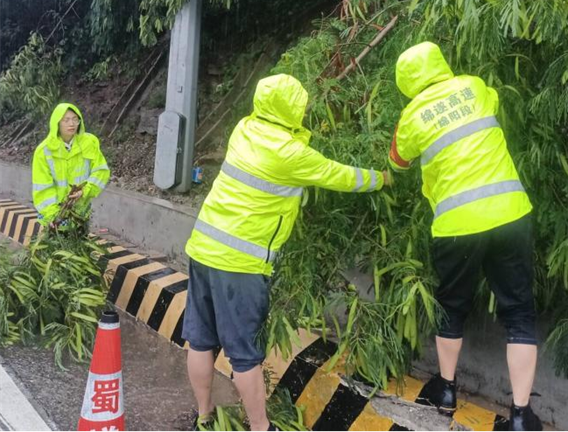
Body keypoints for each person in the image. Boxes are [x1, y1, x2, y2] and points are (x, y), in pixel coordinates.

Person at [183, 73, 391, 432]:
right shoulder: (291, 154)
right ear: (292, 109)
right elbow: (338, 175)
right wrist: (383, 178)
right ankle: (262, 428)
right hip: (240, 264)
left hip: (202, 248)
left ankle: (203, 418)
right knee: (244, 354)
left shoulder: (244, 129)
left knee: (201, 339)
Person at [388, 42, 542, 432]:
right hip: (510, 212)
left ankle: (445, 391)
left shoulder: (411, 115)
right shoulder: (473, 86)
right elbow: (491, 101)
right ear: (441, 64)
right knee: (519, 312)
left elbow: (397, 161)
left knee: (451, 307)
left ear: (405, 82)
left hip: (457, 224)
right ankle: (522, 416)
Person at [31, 103, 110, 232]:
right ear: (57, 123)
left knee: (79, 248)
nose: (71, 124)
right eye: (66, 120)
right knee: (55, 250)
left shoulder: (89, 143)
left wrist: (85, 191)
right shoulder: (44, 151)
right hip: (54, 216)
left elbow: (100, 171)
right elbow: (43, 187)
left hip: (80, 214)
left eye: (75, 119)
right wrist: (53, 215)